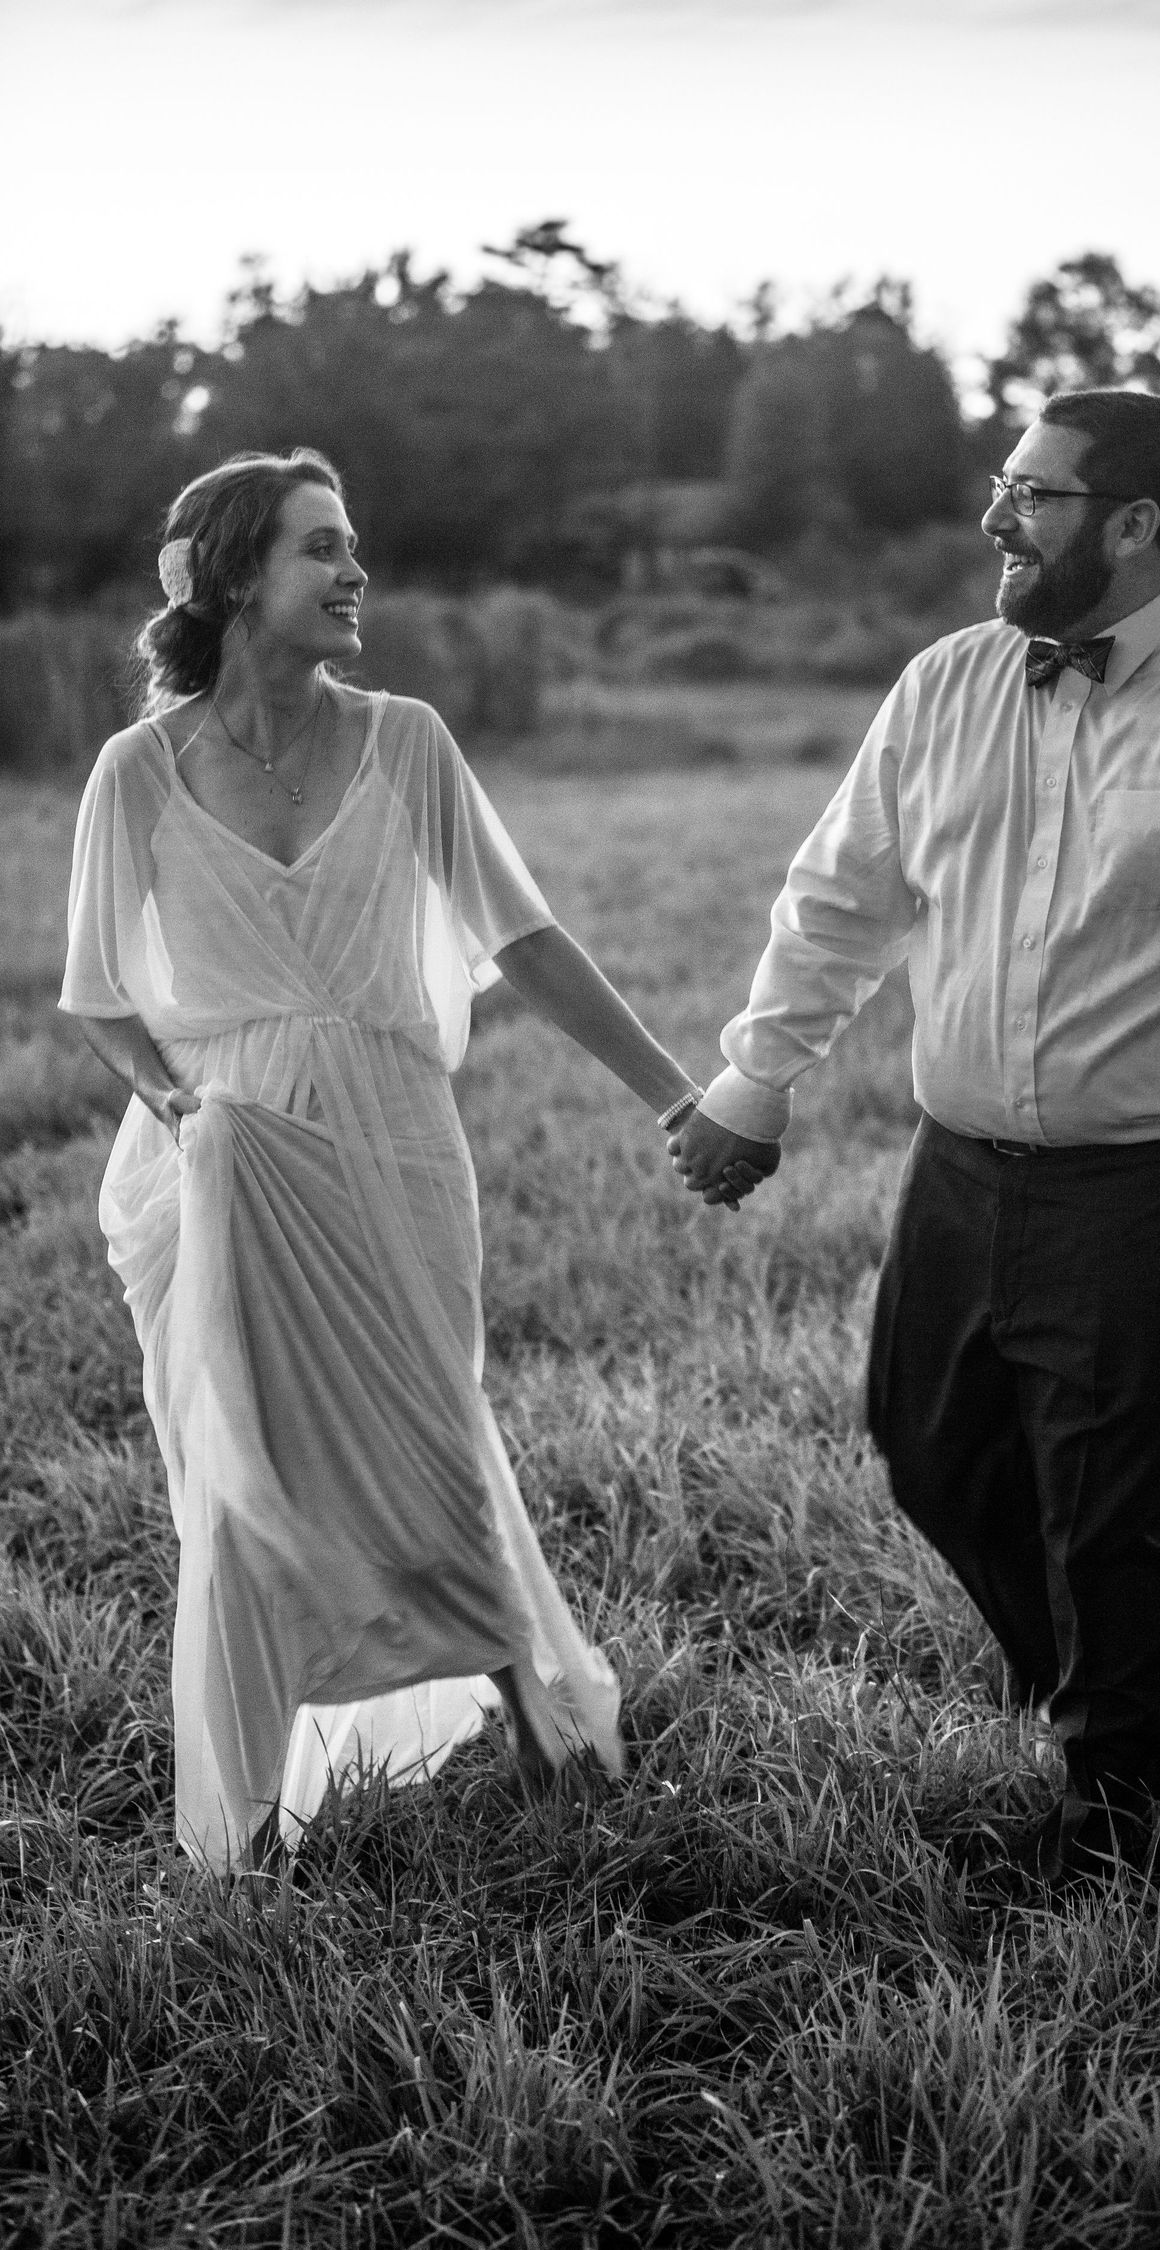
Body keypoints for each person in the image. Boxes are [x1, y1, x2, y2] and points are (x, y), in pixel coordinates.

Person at [671, 389, 1160, 1889]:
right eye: (1006, 488)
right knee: (931, 1448)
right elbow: (841, 902)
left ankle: (1117, 1816)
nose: (996, 518)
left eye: (1034, 493)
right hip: (957, 1164)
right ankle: (1072, 1673)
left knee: (1107, 1500)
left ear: (1135, 524)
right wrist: (759, 1080)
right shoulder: (945, 684)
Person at [59, 448, 752, 1873]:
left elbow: (528, 940)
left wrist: (679, 1093)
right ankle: (244, 1828)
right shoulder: (137, 773)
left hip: (395, 1143)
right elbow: (99, 1001)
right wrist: (185, 1112)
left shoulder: (409, 740)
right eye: (324, 548)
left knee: (436, 1436)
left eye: (353, 545)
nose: (356, 571)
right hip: (233, 1159)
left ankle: (549, 1739)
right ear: (238, 577)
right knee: (249, 1476)